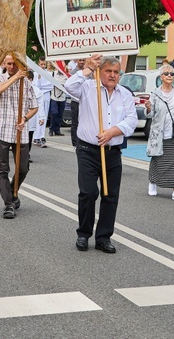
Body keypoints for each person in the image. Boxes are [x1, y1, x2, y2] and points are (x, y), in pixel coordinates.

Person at [65, 54, 137, 253]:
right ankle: (83, 233)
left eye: (116, 72)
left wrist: (113, 132)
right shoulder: (88, 88)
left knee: (110, 195)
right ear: (100, 72)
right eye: (108, 71)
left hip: (112, 152)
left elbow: (131, 120)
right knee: (88, 193)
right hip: (88, 150)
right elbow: (69, 87)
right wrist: (88, 68)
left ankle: (103, 237)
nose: (113, 75)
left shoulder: (125, 94)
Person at [0, 55, 39, 219]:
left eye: (14, 64)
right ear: (4, 64)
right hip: (3, 130)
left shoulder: (26, 83)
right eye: (9, 63)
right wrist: (16, 77)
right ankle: (8, 204)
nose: (12, 66)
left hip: (20, 132)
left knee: (23, 168)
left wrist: (25, 118)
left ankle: (12, 190)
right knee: (3, 169)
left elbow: (34, 106)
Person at [144, 63, 174, 202]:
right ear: (161, 77)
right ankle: (153, 182)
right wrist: (148, 108)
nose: (170, 76)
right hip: (159, 133)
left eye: (172, 74)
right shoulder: (155, 93)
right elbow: (150, 115)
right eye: (166, 73)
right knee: (157, 159)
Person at [48, 62, 68, 137]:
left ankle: (57, 130)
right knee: (54, 113)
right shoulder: (53, 74)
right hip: (54, 97)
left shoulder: (66, 75)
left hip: (62, 97)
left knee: (60, 114)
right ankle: (51, 129)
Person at [69, 58, 86, 146]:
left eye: (83, 60)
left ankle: (82, 140)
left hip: (85, 101)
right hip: (75, 100)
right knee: (75, 122)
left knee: (84, 121)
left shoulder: (88, 72)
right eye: (80, 60)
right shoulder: (74, 72)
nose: (82, 62)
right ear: (77, 62)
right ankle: (75, 142)